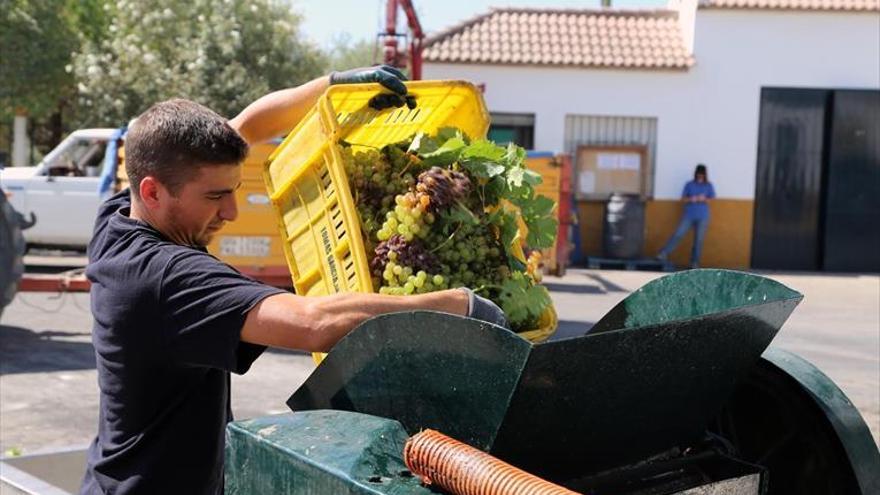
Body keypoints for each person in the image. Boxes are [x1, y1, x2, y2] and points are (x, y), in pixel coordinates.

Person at [79, 66, 507, 494]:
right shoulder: (164, 277)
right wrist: (457, 305)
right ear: (153, 191)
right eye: (215, 197)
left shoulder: (117, 219)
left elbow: (245, 126)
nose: (231, 212)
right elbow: (312, 322)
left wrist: (332, 86)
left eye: (232, 189)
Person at [656, 164, 716, 268]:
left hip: (703, 216)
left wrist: (704, 199)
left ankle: (694, 262)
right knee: (678, 234)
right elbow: (683, 198)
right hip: (689, 214)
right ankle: (663, 253)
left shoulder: (708, 185)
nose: (700, 176)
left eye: (702, 174)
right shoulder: (689, 184)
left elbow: (712, 198)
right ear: (696, 173)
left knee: (699, 240)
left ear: (705, 174)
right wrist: (692, 199)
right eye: (698, 174)